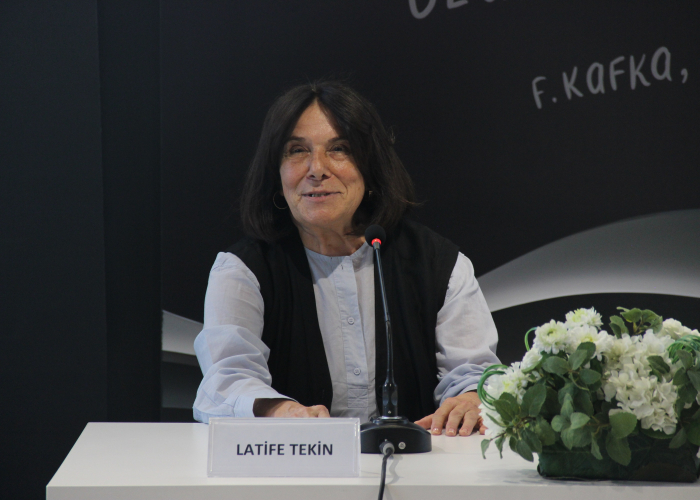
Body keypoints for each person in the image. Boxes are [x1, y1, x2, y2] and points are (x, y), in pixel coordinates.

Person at [193, 80, 500, 437]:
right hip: (296, 466)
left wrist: (470, 398)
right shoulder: (244, 270)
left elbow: (476, 375)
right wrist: (279, 410)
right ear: (276, 174)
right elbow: (226, 380)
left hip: (417, 466)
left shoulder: (437, 264)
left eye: (339, 149)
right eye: (296, 151)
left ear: (370, 167)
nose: (317, 169)